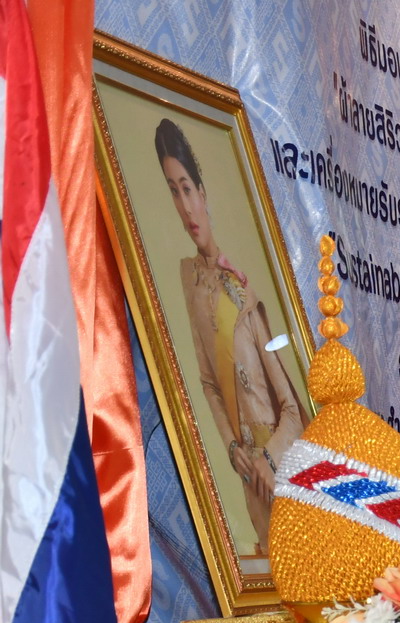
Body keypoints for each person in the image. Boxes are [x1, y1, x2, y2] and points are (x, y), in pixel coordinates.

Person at [158, 118, 304, 556]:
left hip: (281, 473)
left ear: (202, 194)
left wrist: (268, 458)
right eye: (172, 190)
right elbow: (207, 381)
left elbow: (293, 410)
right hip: (249, 476)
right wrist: (231, 449)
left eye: (187, 188)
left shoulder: (241, 293)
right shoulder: (189, 280)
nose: (184, 206)